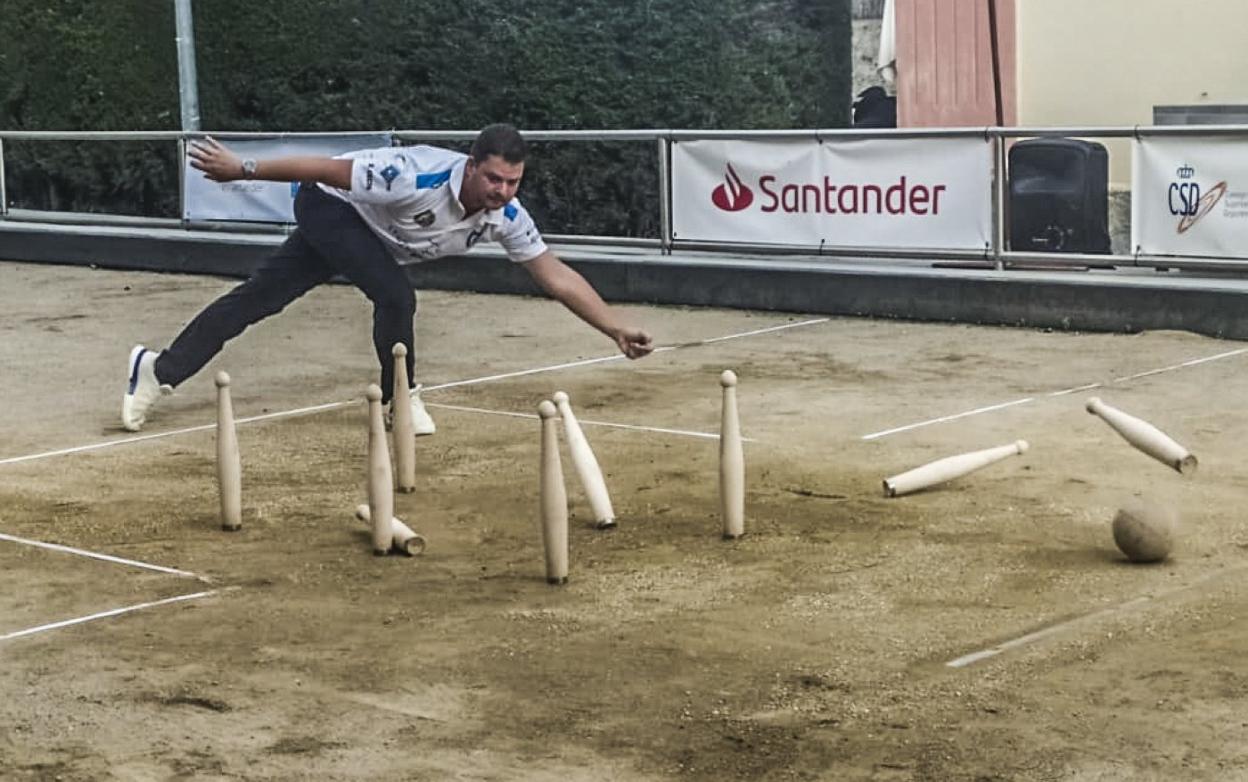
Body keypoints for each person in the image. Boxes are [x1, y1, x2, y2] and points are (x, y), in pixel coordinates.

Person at [122, 124, 654, 433]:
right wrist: (244, 169)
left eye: (513, 181)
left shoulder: (506, 216)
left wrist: (614, 328)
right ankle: (403, 397)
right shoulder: (409, 175)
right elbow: (324, 170)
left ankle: (157, 368)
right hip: (329, 206)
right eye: (494, 178)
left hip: (368, 237)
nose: (503, 190)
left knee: (258, 299)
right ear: (471, 167)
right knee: (395, 294)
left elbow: (555, 276)